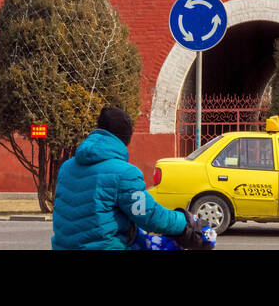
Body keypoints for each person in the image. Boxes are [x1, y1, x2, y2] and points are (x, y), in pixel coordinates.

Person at [51, 106, 192, 250]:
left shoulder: (66, 167)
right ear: (125, 138)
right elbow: (149, 215)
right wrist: (186, 222)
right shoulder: (125, 173)